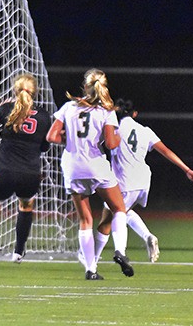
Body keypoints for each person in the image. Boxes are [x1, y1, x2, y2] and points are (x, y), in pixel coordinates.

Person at [46, 68, 133, 280]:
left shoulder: (69, 107)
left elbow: (51, 136)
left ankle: (90, 270)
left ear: (85, 86)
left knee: (85, 219)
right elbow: (111, 144)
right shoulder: (106, 111)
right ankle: (120, 250)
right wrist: (118, 136)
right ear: (104, 87)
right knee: (118, 208)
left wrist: (70, 141)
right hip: (95, 164)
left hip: (72, 165)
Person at [94, 98, 193, 263]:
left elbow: (96, 144)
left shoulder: (113, 130)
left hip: (123, 180)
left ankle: (115, 253)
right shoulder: (145, 130)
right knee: (122, 211)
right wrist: (186, 169)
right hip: (143, 179)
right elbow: (166, 151)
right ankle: (147, 237)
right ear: (135, 114)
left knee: (115, 215)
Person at [0, 73, 52, 271]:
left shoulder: (7, 109)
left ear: (15, 91)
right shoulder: (44, 117)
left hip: (4, 171)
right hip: (30, 174)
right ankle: (18, 252)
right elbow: (44, 147)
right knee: (26, 207)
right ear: (35, 92)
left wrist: (0, 109)